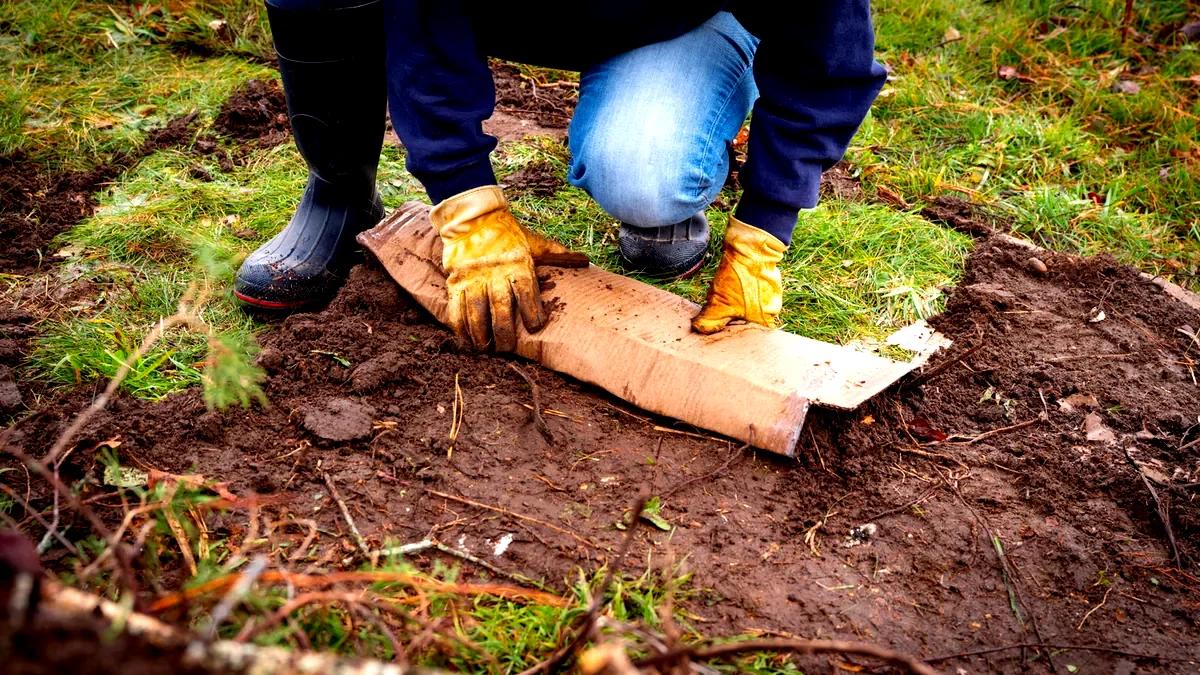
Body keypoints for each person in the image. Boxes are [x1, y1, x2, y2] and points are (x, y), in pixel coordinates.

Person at [236, 1, 886, 353]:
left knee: (644, 172)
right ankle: (340, 193)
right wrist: (464, 197)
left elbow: (829, 48)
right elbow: (423, 18)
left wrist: (765, 230)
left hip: (678, 19)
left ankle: (671, 180)